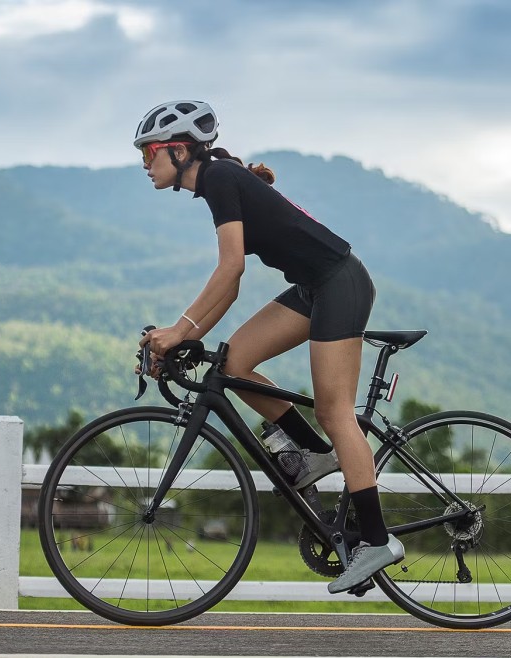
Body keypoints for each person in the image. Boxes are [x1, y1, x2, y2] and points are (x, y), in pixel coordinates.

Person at [133, 100, 403, 595]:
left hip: (340, 283)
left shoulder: (218, 179)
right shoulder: (220, 180)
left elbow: (230, 271)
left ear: (180, 149)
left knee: (336, 410)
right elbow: (229, 280)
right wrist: (184, 334)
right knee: (234, 362)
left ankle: (378, 541)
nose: (144, 163)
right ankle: (316, 455)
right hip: (311, 288)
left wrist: (179, 331)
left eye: (149, 152)